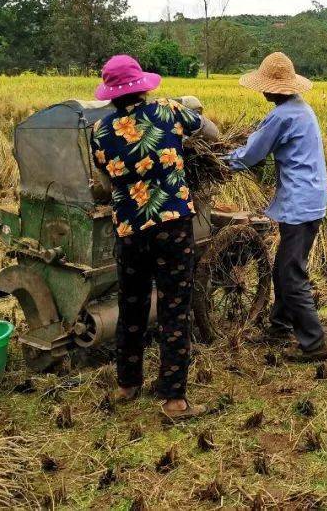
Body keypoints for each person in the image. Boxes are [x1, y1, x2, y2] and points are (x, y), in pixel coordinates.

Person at [90, 54, 219, 422]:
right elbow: (210, 132)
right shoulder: (167, 110)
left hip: (129, 229)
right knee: (174, 305)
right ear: (142, 86)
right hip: (171, 225)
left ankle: (127, 385)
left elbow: (105, 184)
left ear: (111, 95)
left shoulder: (99, 131)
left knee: (131, 303)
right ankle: (173, 400)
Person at [225, 52, 327, 362]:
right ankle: (280, 324)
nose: (263, 92)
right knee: (285, 266)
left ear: (274, 89)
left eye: (265, 87)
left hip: (300, 203)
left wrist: (220, 161)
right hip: (310, 200)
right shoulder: (301, 109)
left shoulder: (281, 115)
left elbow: (250, 156)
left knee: (289, 273)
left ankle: (314, 344)